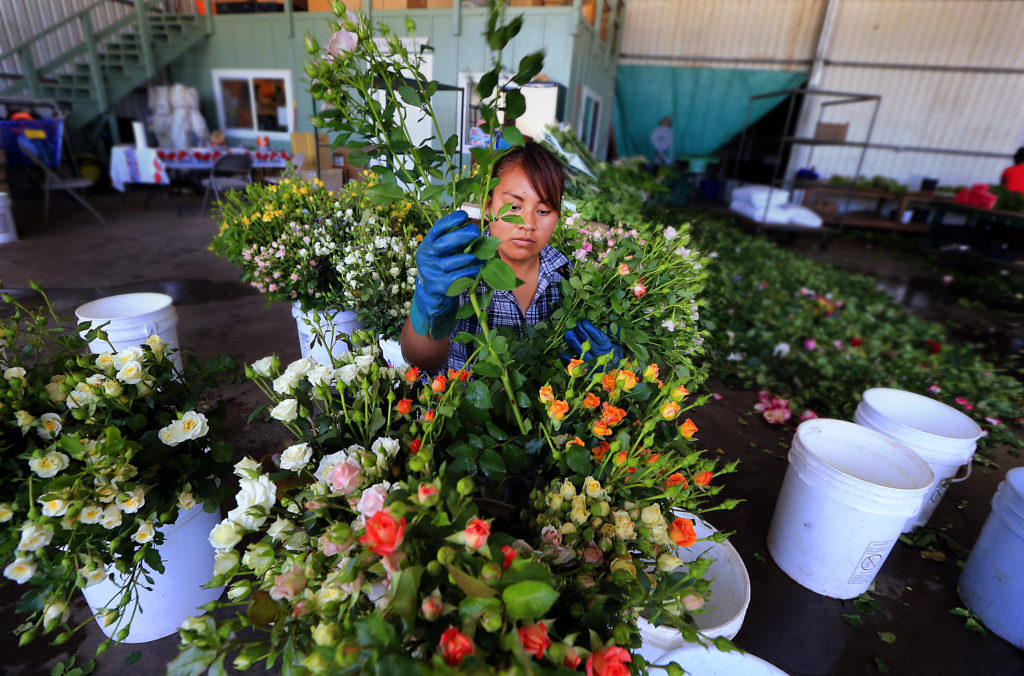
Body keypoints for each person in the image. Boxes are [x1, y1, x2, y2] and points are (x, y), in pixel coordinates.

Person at [401, 142, 620, 372]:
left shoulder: (570, 277)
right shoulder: (456, 268)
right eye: (514, 207)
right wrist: (426, 300)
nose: (528, 224)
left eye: (543, 211)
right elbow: (419, 360)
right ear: (488, 206)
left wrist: (606, 367)